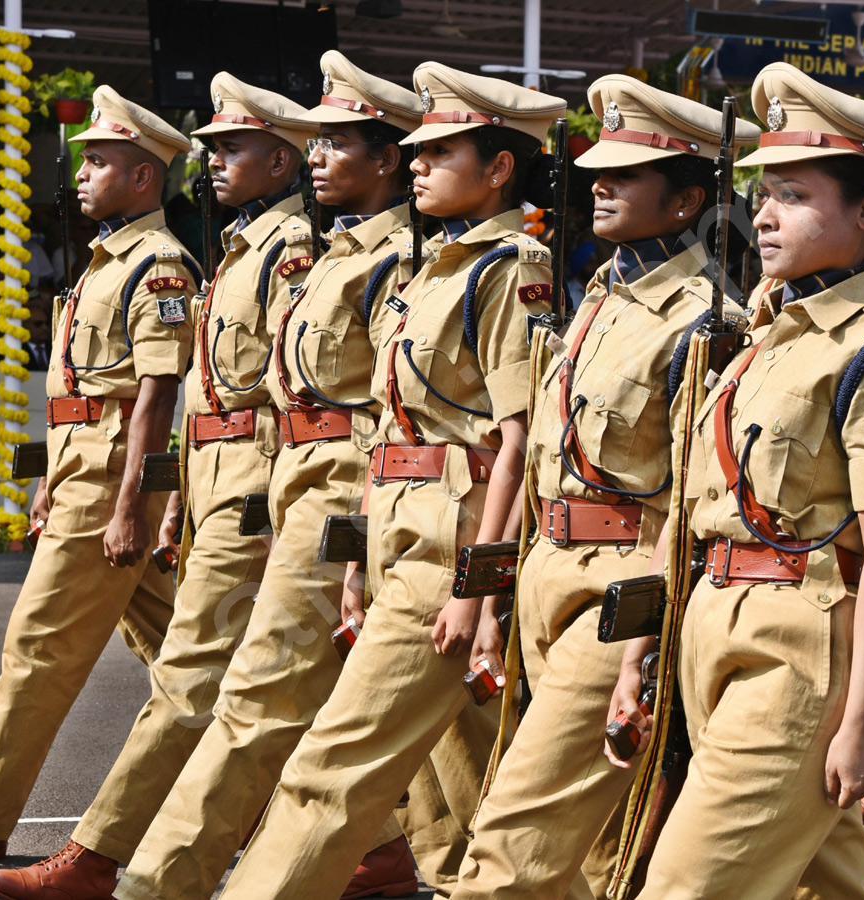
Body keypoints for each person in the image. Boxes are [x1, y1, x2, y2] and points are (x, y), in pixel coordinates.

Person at [213, 62, 563, 900]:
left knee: (331, 766)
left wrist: (480, 590)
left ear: (499, 166)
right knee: (474, 783)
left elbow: (518, 443)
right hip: (399, 532)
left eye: (440, 151)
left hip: (452, 541)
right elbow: (390, 429)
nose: (416, 162)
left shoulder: (510, 268)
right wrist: (357, 563)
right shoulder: (436, 267)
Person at [606, 62, 864, 899]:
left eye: (793, 194)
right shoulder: (767, 337)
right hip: (711, 635)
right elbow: (693, 507)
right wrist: (639, 658)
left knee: (681, 886)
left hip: (796, 661)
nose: (761, 213)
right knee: (825, 885)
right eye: (763, 193)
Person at [0, 72, 316, 900]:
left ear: (281, 162)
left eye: (234, 148)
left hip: (247, 486)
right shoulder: (236, 251)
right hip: (201, 483)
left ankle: (96, 856)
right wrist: (172, 501)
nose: (216, 163)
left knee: (190, 676)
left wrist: (148, 500)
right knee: (225, 671)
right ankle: (374, 836)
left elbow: (262, 400)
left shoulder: (267, 256)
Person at [115, 53, 440, 900]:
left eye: (338, 142)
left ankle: (154, 883)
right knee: (438, 728)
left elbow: (392, 413)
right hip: (293, 484)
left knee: (260, 696)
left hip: (350, 498)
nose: (319, 154)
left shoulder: (396, 265)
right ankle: (429, 860)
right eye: (316, 140)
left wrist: (364, 537)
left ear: (389, 160)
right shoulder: (329, 255)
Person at [446, 75, 758, 900]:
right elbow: (543, 458)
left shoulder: (706, 321)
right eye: (599, 170)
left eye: (626, 173)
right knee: (593, 852)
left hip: (621, 589)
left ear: (688, 200)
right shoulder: (600, 300)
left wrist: (641, 649)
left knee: (511, 838)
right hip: (549, 573)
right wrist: (495, 599)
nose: (601, 184)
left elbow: (690, 501)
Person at [0, 86, 197, 877]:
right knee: (197, 659)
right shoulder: (107, 259)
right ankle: (347, 824)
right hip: (87, 477)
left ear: (143, 178)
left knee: (38, 648)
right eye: (85, 159)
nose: (82, 173)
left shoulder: (158, 265)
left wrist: (128, 506)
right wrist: (49, 477)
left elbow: (155, 394)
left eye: (100, 161)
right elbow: (81, 394)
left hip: (111, 489)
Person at [23, 300, 52, 371]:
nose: (44, 327)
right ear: (25, 326)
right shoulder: (17, 349)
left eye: (47, 323)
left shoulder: (55, 348)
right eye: (38, 323)